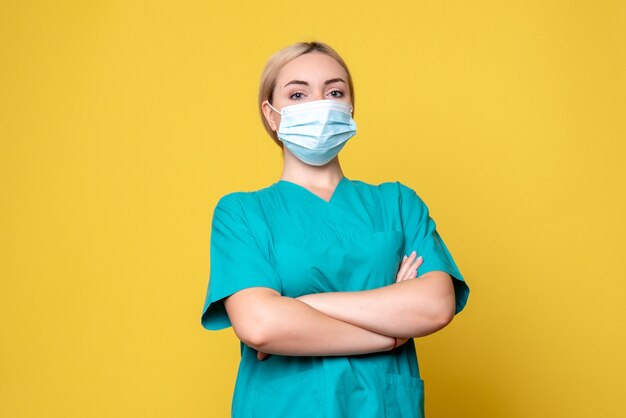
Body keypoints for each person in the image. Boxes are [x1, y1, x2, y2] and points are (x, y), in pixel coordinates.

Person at [200, 41, 470, 418]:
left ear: (350, 107)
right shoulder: (242, 213)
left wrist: (300, 306)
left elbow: (436, 306)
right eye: (298, 93)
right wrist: (390, 333)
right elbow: (260, 325)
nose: (320, 105)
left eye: (335, 92)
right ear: (271, 114)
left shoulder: (396, 203)